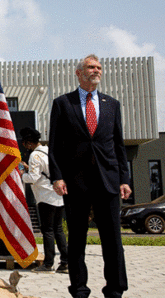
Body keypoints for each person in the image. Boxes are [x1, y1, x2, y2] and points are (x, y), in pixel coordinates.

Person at [48, 54, 132, 298]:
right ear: (79, 73)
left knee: (113, 240)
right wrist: (57, 176)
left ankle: (115, 289)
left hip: (108, 180)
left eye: (98, 67)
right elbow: (55, 146)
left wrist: (124, 179)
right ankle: (79, 289)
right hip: (76, 182)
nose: (96, 70)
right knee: (76, 239)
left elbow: (119, 145)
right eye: (90, 67)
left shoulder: (112, 104)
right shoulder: (63, 104)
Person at [18, 127, 68, 274]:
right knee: (58, 229)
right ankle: (65, 262)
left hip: (45, 197)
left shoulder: (34, 156)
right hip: (58, 196)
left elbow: (33, 177)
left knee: (47, 230)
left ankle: (48, 264)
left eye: (25, 143)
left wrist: (22, 174)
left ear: (28, 143)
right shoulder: (50, 151)